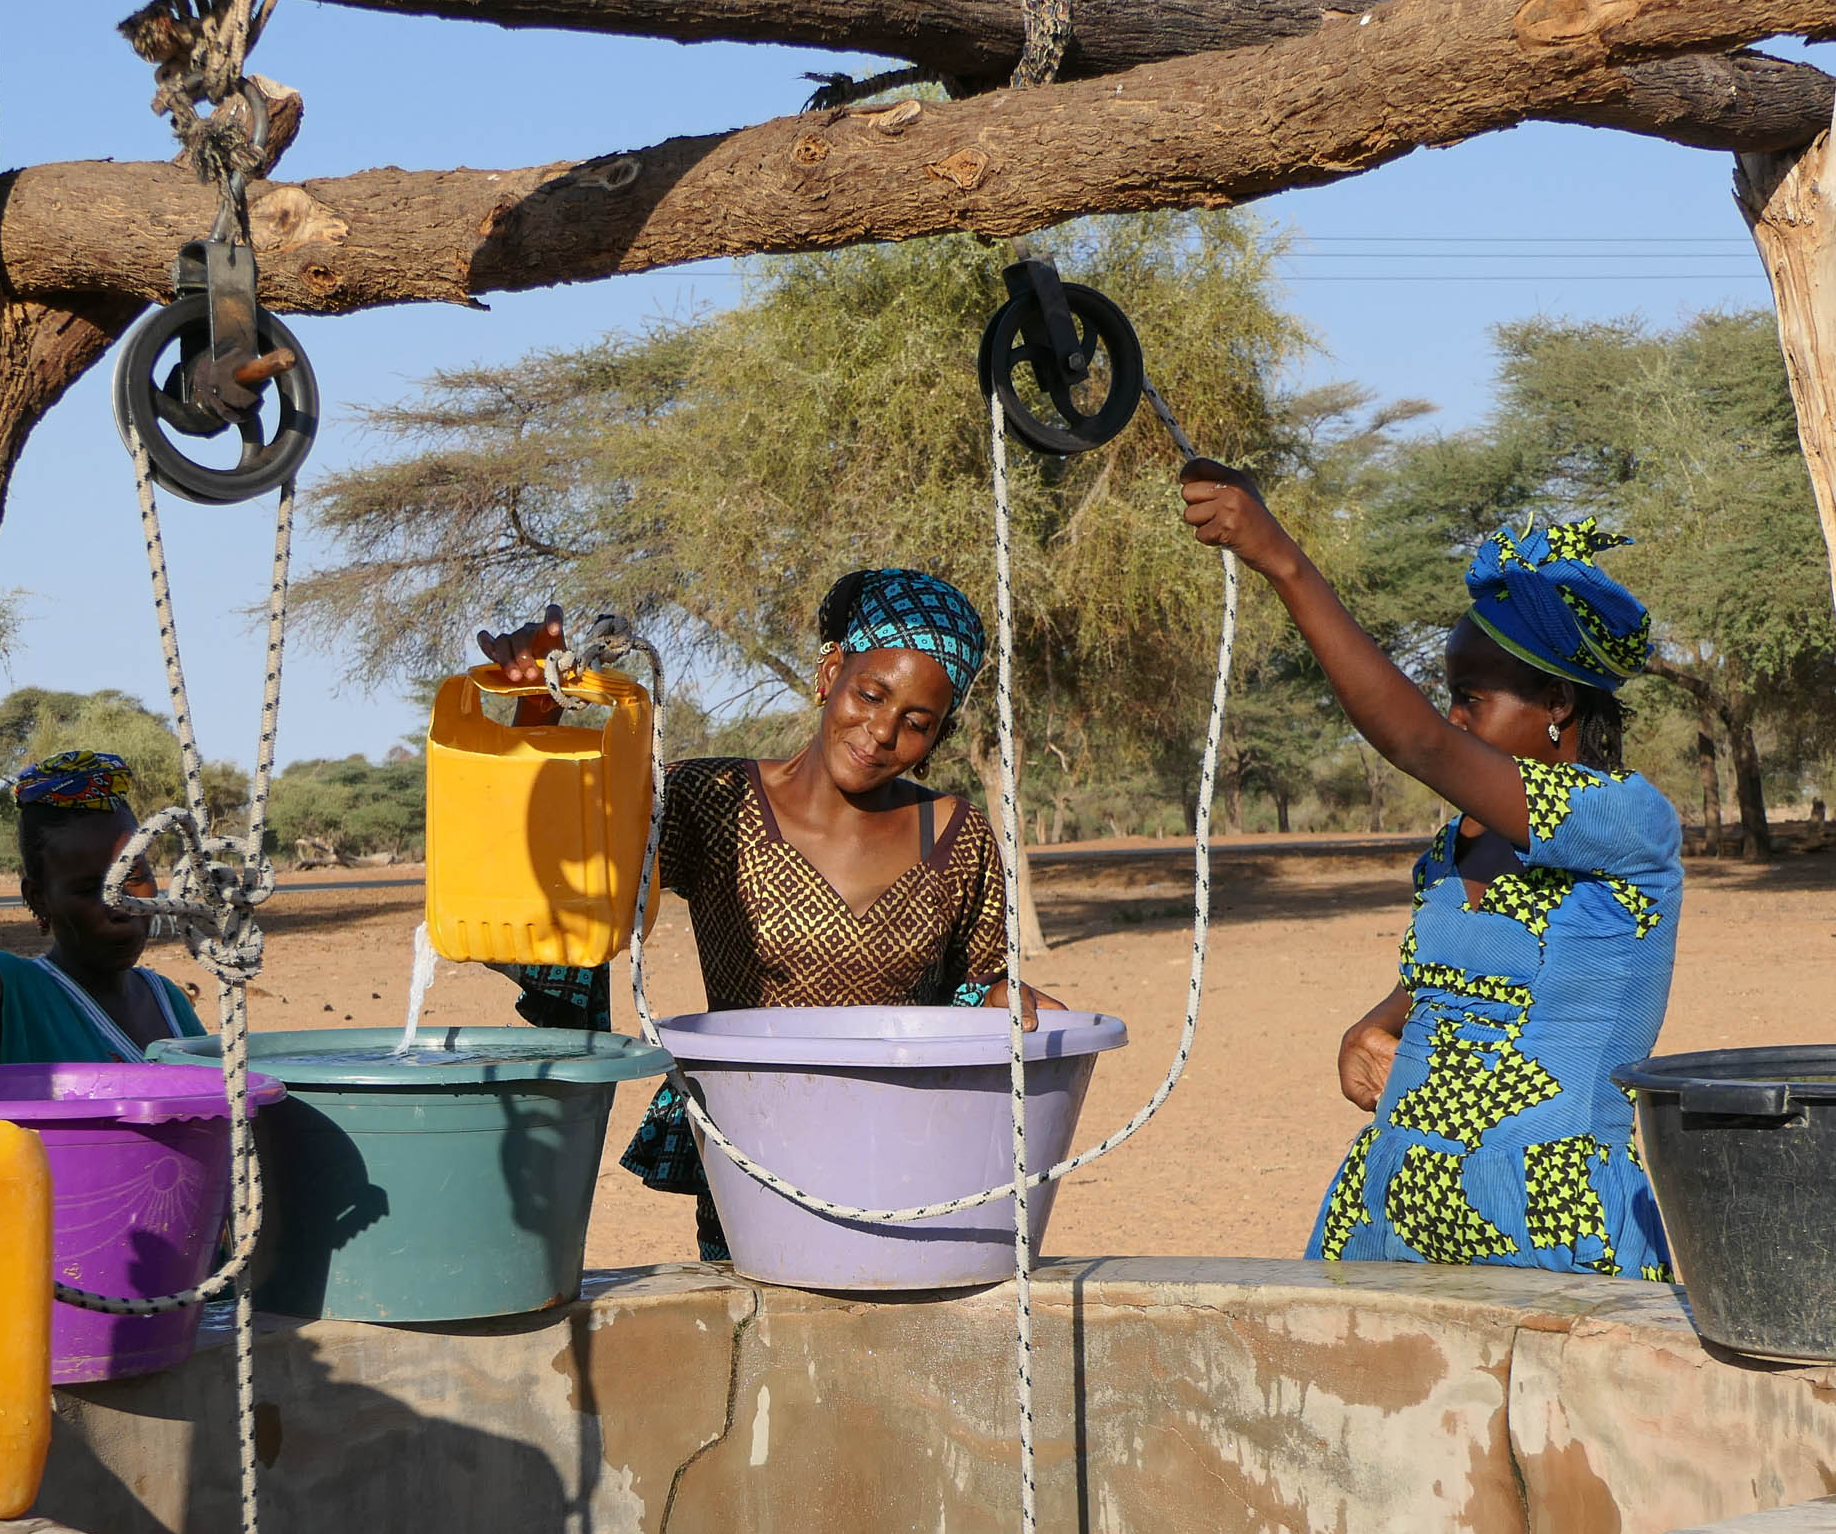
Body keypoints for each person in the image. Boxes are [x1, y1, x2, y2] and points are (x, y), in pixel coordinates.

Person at [477, 569, 1063, 1261]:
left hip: (911, 1160)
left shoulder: (956, 834)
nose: (880, 733)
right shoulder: (712, 798)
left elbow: (973, 993)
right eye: (870, 695)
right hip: (751, 1156)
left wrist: (1003, 995)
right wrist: (538, 710)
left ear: (937, 737)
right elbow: (558, 876)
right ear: (831, 673)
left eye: (916, 723)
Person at [1182, 468, 1679, 1279]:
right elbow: (1444, 981)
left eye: (1468, 698)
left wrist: (1285, 564)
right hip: (1390, 1211)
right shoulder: (1455, 847)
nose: (1450, 718)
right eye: (1447, 697)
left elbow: (1419, 745)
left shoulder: (1628, 820)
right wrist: (1370, 1026)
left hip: (1552, 1229)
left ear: (1556, 701)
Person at [0, 751, 205, 1064]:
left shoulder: (168, 999)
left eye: (136, 877)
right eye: (90, 890)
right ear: (38, 898)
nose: (120, 906)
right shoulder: (10, 992)